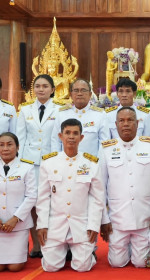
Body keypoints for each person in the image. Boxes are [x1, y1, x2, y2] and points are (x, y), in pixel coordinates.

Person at [36, 118, 104, 272]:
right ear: (61, 136)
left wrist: (93, 225)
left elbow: (97, 198)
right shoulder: (49, 162)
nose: (71, 137)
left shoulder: (91, 164)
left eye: (75, 133)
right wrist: (42, 225)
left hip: (80, 224)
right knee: (51, 267)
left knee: (83, 267)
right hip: (56, 224)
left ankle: (87, 252)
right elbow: (43, 197)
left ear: (81, 137)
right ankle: (64, 251)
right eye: (67, 133)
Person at [100, 107, 150, 268]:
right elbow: (100, 185)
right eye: (122, 121)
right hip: (118, 218)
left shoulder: (149, 146)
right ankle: (125, 247)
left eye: (130, 120)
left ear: (137, 123)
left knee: (141, 263)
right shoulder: (106, 148)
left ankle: (138, 247)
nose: (126, 124)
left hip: (144, 216)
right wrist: (104, 219)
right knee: (117, 263)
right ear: (116, 124)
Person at [17, 74, 63, 258]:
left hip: (52, 163)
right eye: (37, 86)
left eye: (45, 86)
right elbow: (20, 138)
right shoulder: (25, 110)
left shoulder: (60, 110)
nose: (41, 89)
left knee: (53, 203)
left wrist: (57, 162)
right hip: (29, 164)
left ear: (52, 89)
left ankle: (53, 244)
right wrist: (19, 166)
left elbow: (59, 139)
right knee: (33, 204)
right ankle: (36, 245)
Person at [0, 132, 37, 272]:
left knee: (15, 267)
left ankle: (23, 248)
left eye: (9, 144)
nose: (5, 148)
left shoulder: (27, 167)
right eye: (1, 145)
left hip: (18, 224)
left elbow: (32, 196)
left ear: (17, 147)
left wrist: (15, 219)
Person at [51, 78, 110, 156]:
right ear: (71, 95)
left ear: (90, 94)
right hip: (66, 164)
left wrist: (98, 165)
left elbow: (104, 143)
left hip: (90, 165)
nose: (79, 93)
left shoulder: (100, 115)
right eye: (76, 90)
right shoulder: (62, 114)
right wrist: (56, 162)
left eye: (83, 90)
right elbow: (56, 141)